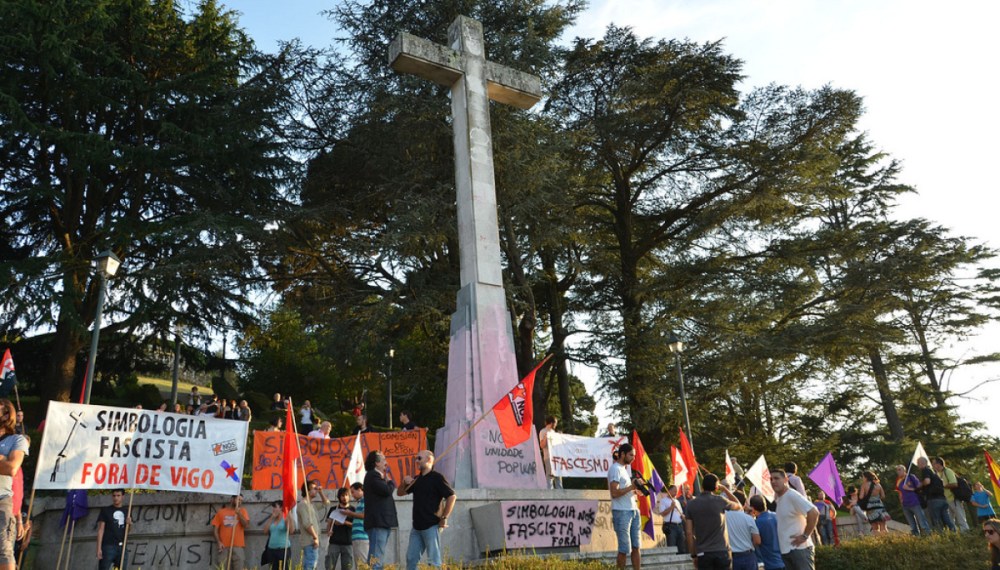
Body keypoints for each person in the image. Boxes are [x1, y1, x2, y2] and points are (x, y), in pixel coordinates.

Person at [397, 450, 456, 570]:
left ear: (429, 460)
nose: (416, 461)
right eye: (416, 458)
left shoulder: (437, 478)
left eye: (419, 458)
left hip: (432, 526)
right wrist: (404, 482)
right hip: (417, 527)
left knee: (434, 561)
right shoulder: (417, 479)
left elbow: (452, 496)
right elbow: (400, 493)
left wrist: (444, 518)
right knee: (411, 560)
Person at [684, 472, 741, 569]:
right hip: (722, 550)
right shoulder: (721, 500)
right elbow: (738, 505)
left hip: (703, 552)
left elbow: (689, 533)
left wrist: (693, 554)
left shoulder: (691, 504)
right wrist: (726, 489)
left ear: (702, 486)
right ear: (716, 487)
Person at [770, 469, 818, 570]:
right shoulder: (779, 498)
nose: (773, 481)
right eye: (771, 479)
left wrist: (805, 536)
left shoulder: (792, 495)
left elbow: (813, 512)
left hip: (800, 550)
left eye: (776, 478)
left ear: (786, 479)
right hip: (787, 550)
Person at [0, 398, 27, 570]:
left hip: (1, 501)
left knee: (3, 551)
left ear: (5, 415)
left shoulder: (17, 440)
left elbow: (12, 468)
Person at [607, 443, 641, 570]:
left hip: (633, 511)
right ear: (622, 454)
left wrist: (635, 492)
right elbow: (614, 493)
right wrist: (631, 487)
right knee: (624, 549)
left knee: (636, 546)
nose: (633, 458)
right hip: (621, 513)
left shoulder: (624, 469)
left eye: (634, 455)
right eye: (631, 455)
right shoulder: (615, 469)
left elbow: (624, 491)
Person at [363, 451, 397, 570]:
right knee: (376, 559)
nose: (386, 463)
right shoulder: (373, 475)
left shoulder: (375, 476)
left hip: (381, 523)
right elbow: (387, 490)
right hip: (378, 522)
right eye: (384, 460)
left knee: (377, 557)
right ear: (377, 463)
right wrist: (390, 481)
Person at [295, 480, 330, 570]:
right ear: (307, 490)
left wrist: (321, 492)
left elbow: (326, 503)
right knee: (310, 565)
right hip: (310, 541)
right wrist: (315, 537)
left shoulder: (311, 504)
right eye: (314, 488)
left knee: (313, 565)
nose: (316, 490)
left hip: (313, 541)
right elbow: (307, 524)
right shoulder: (303, 504)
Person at [96, 489, 133, 570]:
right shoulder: (105, 510)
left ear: (122, 497)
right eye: (114, 495)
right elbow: (100, 530)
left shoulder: (127, 511)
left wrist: (129, 524)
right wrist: (99, 548)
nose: (116, 498)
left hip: (122, 547)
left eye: (118, 495)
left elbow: (127, 531)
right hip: (108, 546)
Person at [212, 495, 250, 570]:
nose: (240, 502)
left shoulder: (243, 511)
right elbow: (215, 529)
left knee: (239, 567)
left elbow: (246, 525)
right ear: (232, 499)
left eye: (241, 501)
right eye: (238, 500)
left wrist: (239, 514)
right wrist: (219, 542)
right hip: (224, 547)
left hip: (238, 546)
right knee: (223, 567)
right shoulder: (221, 512)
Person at [933, 456, 971, 531]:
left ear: (938, 464)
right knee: (950, 521)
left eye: (933, 463)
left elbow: (954, 484)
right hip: (945, 500)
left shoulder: (948, 471)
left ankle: (966, 535)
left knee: (961, 519)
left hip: (954, 499)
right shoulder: (937, 474)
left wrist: (943, 486)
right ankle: (955, 536)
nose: (932, 465)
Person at [918, 456, 955, 532]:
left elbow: (927, 481)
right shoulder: (934, 472)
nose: (918, 465)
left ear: (922, 463)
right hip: (942, 499)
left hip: (933, 499)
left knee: (936, 520)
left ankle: (940, 538)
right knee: (946, 519)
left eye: (918, 463)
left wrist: (920, 485)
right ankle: (954, 533)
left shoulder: (925, 470)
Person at [726, 490, 761, 570]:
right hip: (748, 555)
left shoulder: (723, 517)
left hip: (731, 557)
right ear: (745, 503)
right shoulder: (749, 519)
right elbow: (757, 541)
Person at [749, 495, 784, 570]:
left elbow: (756, 542)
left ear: (752, 508)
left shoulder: (756, 523)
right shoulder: (777, 516)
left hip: (769, 563)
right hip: (783, 560)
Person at [895, 464, 930, 535]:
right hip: (905, 504)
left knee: (922, 521)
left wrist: (909, 488)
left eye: (900, 469)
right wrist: (901, 501)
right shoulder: (898, 481)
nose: (898, 471)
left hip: (915, 502)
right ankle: (916, 537)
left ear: (904, 470)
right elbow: (899, 492)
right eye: (897, 470)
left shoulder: (911, 477)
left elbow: (919, 487)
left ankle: (927, 535)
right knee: (912, 525)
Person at [325, 488, 354, 570]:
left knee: (347, 567)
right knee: (330, 566)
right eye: (342, 495)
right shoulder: (334, 509)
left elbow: (355, 525)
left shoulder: (352, 510)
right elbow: (329, 522)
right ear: (339, 497)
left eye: (346, 495)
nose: (344, 498)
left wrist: (344, 523)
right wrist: (328, 531)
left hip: (348, 543)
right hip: (334, 542)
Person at [655, 485, 686, 554]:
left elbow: (680, 513)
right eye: (674, 491)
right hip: (670, 526)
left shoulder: (677, 501)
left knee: (681, 547)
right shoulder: (663, 501)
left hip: (679, 526)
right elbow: (662, 513)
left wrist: (682, 516)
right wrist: (671, 507)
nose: (676, 493)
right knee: (672, 547)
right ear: (669, 491)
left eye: (676, 491)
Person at [342, 483, 369, 564]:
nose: (352, 495)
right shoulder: (360, 502)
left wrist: (350, 513)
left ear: (360, 490)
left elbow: (365, 515)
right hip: (357, 537)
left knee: (362, 564)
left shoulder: (366, 500)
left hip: (362, 536)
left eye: (353, 492)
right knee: (359, 564)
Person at [263, 500, 295, 569]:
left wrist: (289, 515)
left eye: (275, 507)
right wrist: (271, 517)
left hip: (282, 549)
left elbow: (291, 531)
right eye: (273, 507)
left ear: (281, 508)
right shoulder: (272, 520)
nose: (273, 509)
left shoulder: (285, 519)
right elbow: (265, 531)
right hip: (271, 550)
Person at [538, 415, 562, 490]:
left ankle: (560, 494)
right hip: (548, 457)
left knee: (558, 476)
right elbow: (542, 445)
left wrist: (560, 437)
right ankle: (550, 493)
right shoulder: (543, 431)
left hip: (557, 458)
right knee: (550, 476)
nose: (556, 425)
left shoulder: (554, 432)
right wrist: (545, 437)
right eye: (555, 423)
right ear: (552, 423)